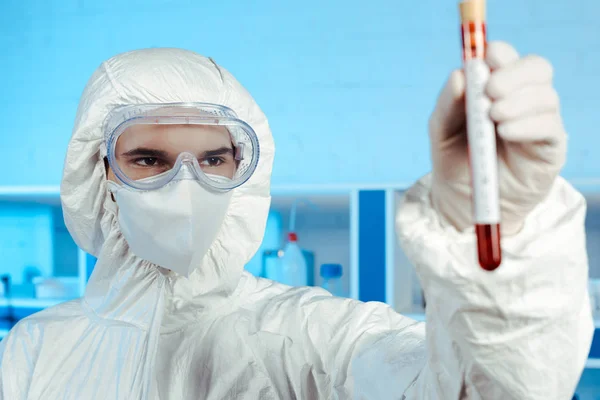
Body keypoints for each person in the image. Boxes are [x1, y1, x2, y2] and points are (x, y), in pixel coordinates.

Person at [0, 41, 593, 399]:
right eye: (149, 160)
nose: (186, 187)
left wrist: (500, 232)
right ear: (100, 171)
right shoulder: (34, 350)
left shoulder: (310, 336)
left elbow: (490, 392)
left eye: (213, 160)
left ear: (245, 172)